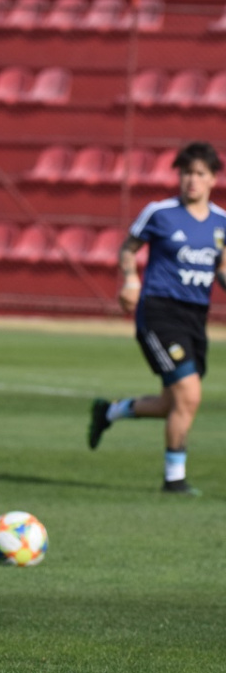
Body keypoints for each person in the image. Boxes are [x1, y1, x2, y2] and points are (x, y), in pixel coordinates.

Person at [88, 141, 226, 496]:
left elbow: (222, 268)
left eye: (199, 174)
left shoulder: (222, 222)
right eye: (186, 173)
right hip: (159, 312)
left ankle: (109, 413)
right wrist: (130, 281)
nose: (191, 180)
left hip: (195, 317)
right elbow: (128, 249)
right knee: (189, 394)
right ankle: (174, 479)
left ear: (213, 179)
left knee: (171, 403)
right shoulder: (159, 212)